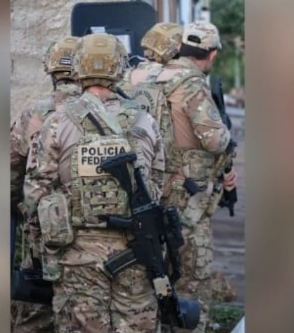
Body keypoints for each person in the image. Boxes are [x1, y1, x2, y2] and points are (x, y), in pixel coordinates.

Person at [23, 33, 165, 333]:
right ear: (120, 68)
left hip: (77, 252)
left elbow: (37, 190)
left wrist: (40, 248)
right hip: (135, 248)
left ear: (78, 67)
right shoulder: (145, 121)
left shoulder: (57, 122)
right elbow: (157, 185)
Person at [154, 21, 237, 333]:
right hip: (185, 199)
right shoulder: (192, 85)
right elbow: (215, 140)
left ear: (179, 48)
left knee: (157, 275)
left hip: (151, 190)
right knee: (191, 279)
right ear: (212, 54)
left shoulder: (150, 76)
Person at [10, 36, 83, 333]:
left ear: (50, 71)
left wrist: (23, 212)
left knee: (36, 312)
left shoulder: (34, 115)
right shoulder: (106, 114)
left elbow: (10, 174)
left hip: (45, 229)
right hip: (97, 233)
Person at [119, 22, 183, 187]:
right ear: (176, 48)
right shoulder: (179, 78)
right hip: (164, 170)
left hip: (128, 163)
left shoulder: (124, 77)